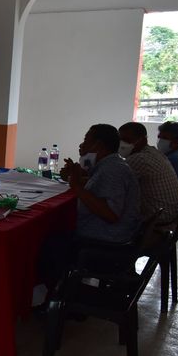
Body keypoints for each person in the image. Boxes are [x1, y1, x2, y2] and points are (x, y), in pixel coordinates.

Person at [38, 124, 141, 301]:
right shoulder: (109, 164)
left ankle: (55, 299)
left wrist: (77, 186)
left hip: (107, 241)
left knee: (46, 244)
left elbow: (111, 214)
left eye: (86, 140)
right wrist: (76, 177)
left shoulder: (113, 170)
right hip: (109, 234)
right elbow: (97, 188)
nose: (82, 145)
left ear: (98, 145)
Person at [118, 122, 178, 228]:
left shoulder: (139, 158)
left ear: (142, 140)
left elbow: (114, 182)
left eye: (127, 140)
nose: (122, 144)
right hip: (171, 214)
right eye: (120, 140)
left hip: (158, 219)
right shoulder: (154, 152)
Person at [157, 120, 178, 187]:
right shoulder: (173, 155)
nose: (160, 141)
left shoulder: (173, 159)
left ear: (177, 142)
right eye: (159, 137)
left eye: (164, 138)